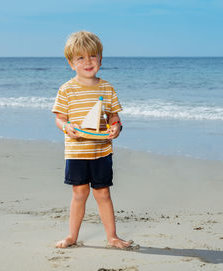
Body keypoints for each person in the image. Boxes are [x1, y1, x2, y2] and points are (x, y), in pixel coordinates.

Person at [52, 30, 132, 249]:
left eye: (92, 56)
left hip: (102, 151)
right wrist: (67, 127)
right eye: (80, 57)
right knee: (79, 193)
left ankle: (112, 237)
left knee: (103, 193)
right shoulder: (66, 90)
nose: (87, 62)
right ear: (71, 63)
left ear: (100, 59)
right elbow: (59, 119)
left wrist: (116, 127)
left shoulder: (107, 88)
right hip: (76, 152)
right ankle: (72, 236)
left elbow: (114, 117)